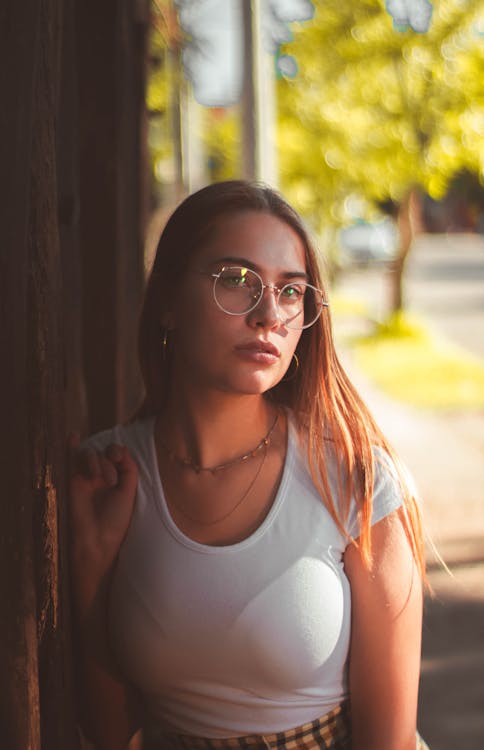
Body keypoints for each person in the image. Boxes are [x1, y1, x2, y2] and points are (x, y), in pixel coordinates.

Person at [69, 180, 429, 750]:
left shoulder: (354, 479)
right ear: (166, 301)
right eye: (236, 280)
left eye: (291, 291)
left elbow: (389, 740)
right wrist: (89, 565)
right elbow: (110, 733)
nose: (269, 315)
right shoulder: (110, 476)